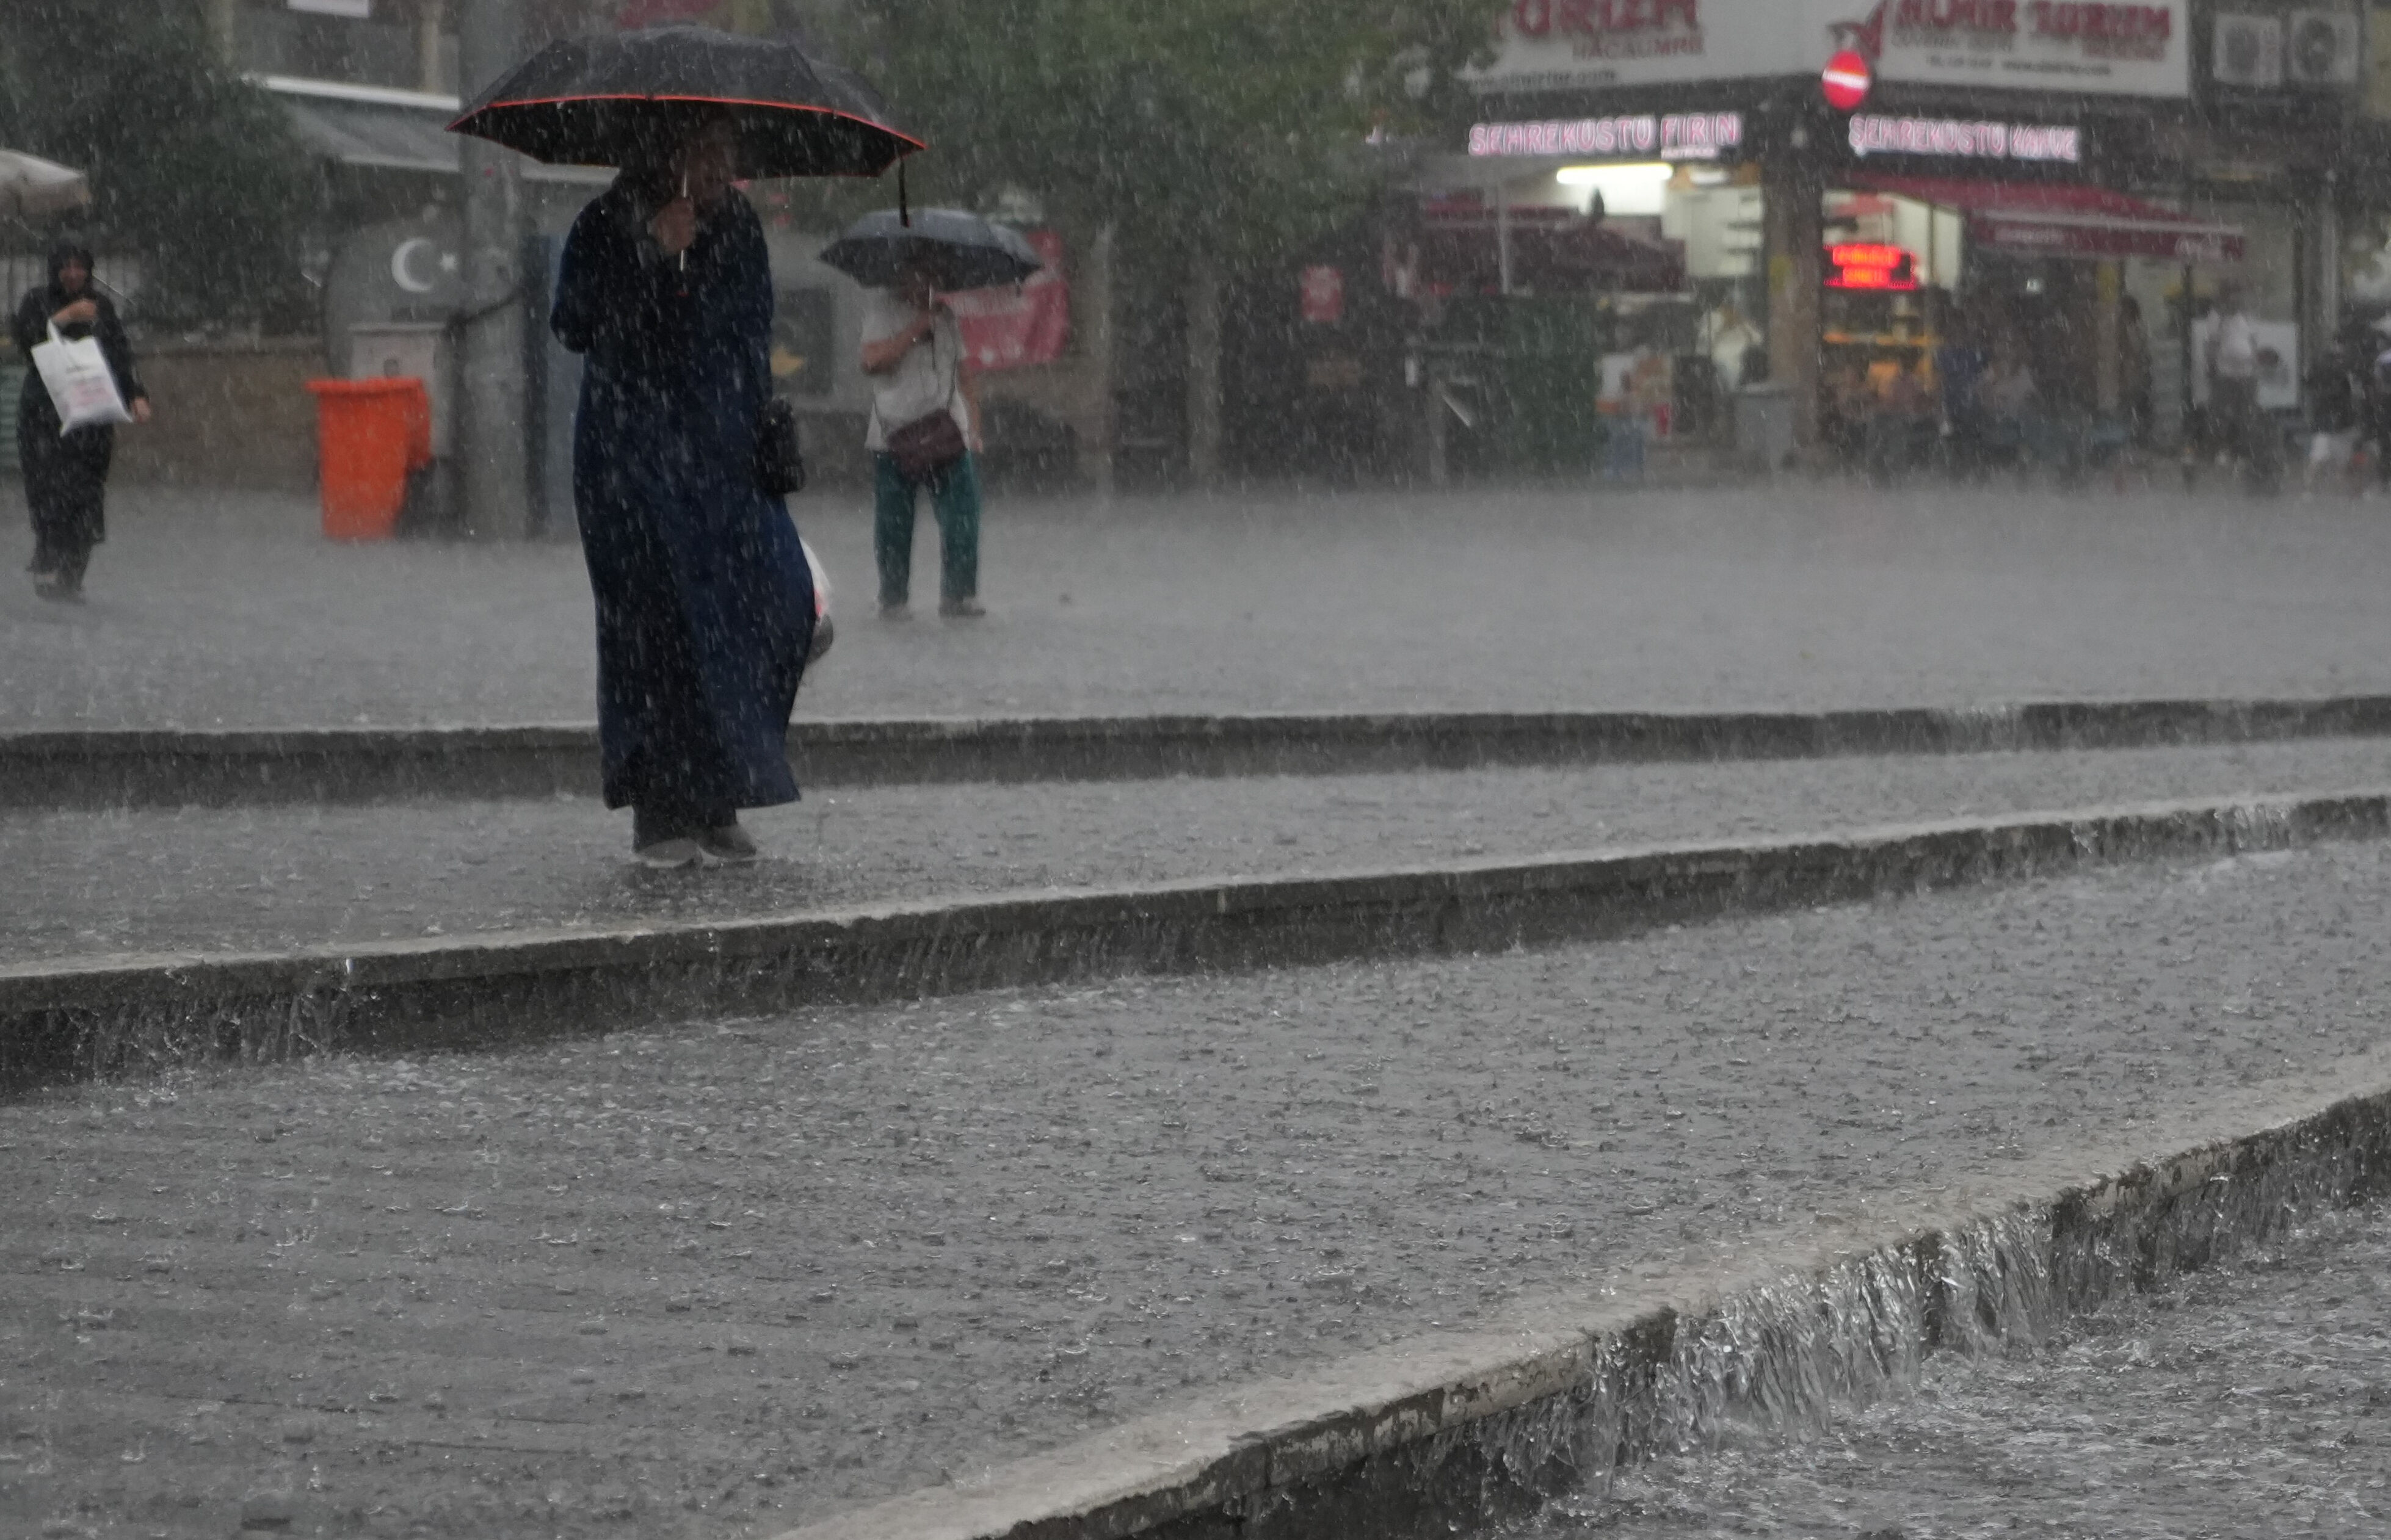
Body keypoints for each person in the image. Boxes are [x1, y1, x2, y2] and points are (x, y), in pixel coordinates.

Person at [551, 109, 816, 870]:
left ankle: (720, 789)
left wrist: (758, 425)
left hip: (725, 459)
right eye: (706, 152)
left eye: (726, 151)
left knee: (770, 605)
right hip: (631, 459)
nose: (722, 167)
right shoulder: (606, 223)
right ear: (666, 156)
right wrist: (650, 254)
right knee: (656, 627)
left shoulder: (739, 225)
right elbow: (574, 322)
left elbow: (750, 330)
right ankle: (663, 806)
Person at [12, 240, 150, 601]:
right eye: (66, 266)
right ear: (54, 270)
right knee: (49, 490)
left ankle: (72, 575)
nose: (73, 274)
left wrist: (136, 394)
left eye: (79, 267)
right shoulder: (37, 300)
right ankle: (49, 559)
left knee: (87, 493)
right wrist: (64, 318)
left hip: (92, 415)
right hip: (45, 414)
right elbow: (28, 341)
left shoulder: (101, 306)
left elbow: (119, 352)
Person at [861, 261, 984, 619]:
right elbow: (870, 362)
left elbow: (963, 373)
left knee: (963, 517)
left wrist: (974, 428)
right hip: (893, 436)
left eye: (930, 275)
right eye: (917, 274)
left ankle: (959, 595)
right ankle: (893, 598)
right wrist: (916, 330)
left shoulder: (946, 316)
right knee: (894, 524)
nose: (924, 282)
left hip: (946, 432)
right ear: (902, 275)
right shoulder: (882, 312)